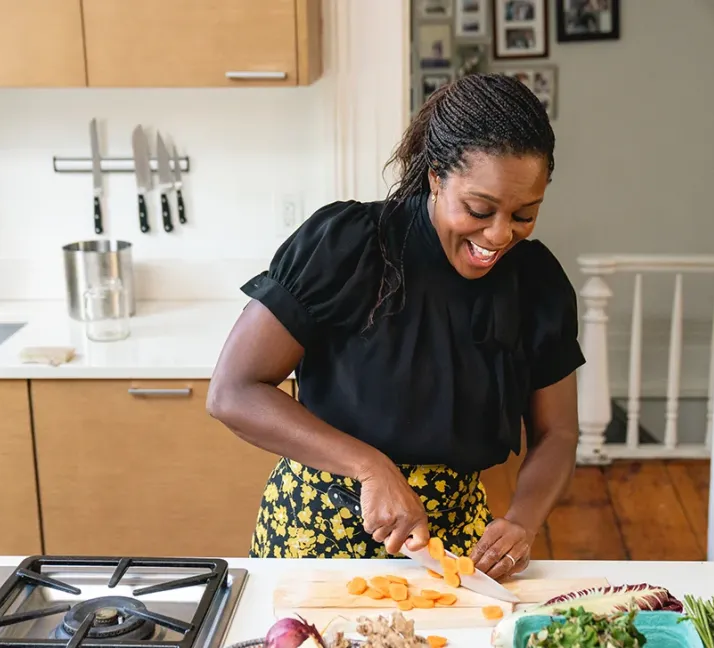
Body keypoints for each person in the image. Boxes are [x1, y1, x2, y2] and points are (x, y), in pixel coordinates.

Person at [207, 73, 584, 581]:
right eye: (479, 209)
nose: (499, 235)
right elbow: (232, 392)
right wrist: (370, 467)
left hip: (455, 547)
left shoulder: (537, 283)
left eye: (524, 214)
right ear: (435, 177)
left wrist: (522, 520)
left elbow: (557, 432)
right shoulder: (350, 245)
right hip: (320, 533)